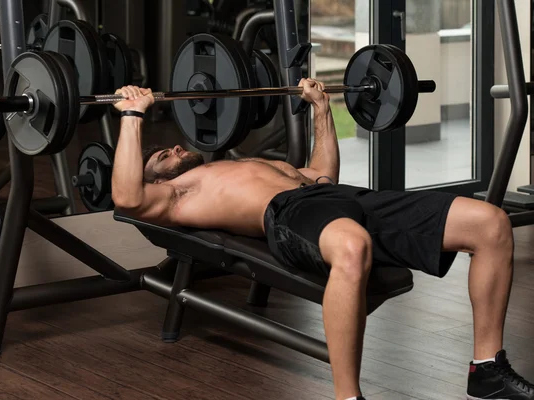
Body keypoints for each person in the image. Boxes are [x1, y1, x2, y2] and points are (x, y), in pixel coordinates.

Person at [110, 81, 534, 400]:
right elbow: (128, 196)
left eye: (170, 149)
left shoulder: (239, 164)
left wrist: (321, 109)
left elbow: (320, 174)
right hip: (289, 214)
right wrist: (132, 114)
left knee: (491, 223)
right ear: (156, 179)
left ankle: (487, 370)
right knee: (352, 247)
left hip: (334, 197)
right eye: (162, 156)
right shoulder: (177, 195)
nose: (174, 151)